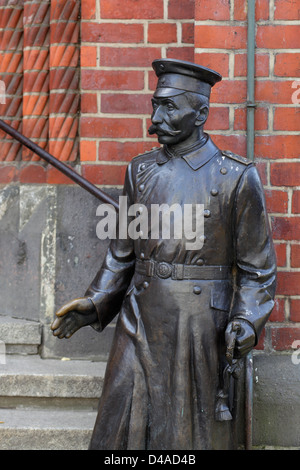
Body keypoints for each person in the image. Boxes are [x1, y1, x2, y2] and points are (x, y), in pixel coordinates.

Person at [51, 59, 276, 450]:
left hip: (198, 325)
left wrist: (246, 320)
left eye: (169, 107)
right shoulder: (139, 171)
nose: (156, 117)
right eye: (155, 104)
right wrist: (96, 302)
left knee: (184, 439)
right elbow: (121, 254)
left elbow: (258, 271)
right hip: (138, 318)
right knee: (119, 430)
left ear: (201, 113)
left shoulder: (236, 177)